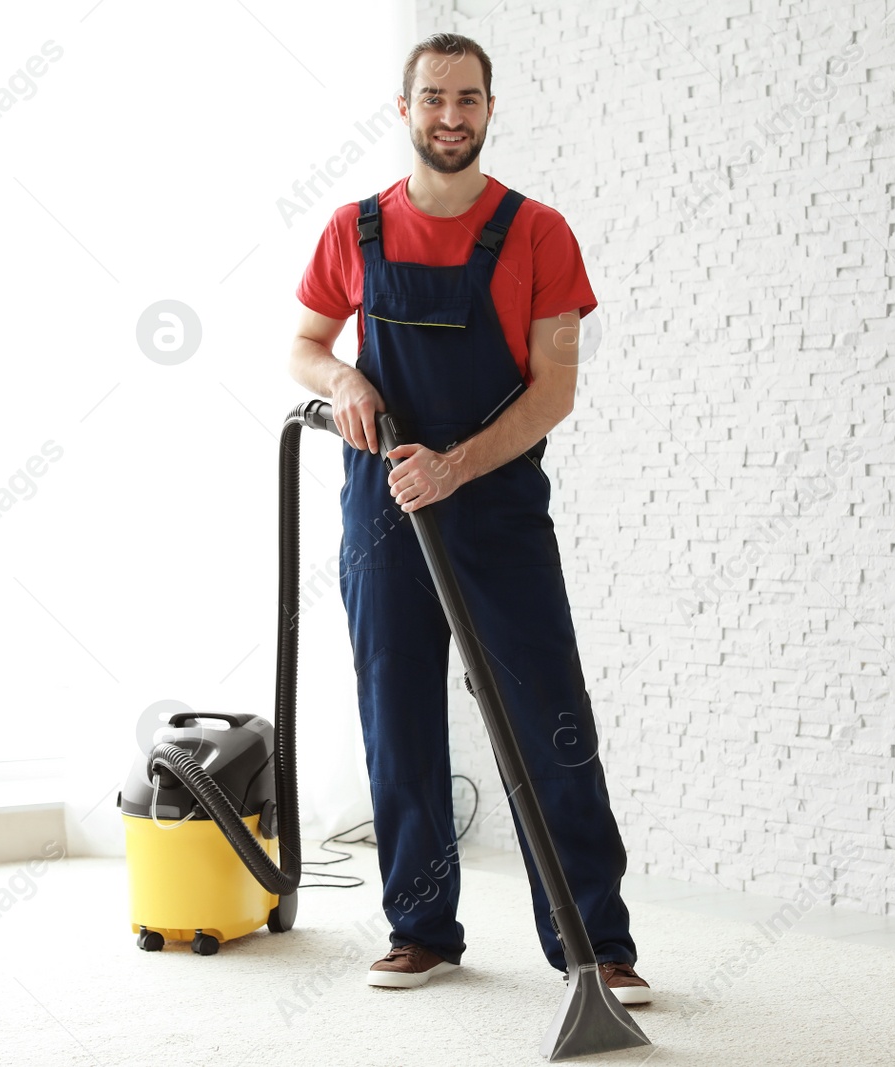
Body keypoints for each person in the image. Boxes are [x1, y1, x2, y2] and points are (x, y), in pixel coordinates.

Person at [287, 32, 651, 1007]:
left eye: (469, 98)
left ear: (489, 109)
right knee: (396, 711)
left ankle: (596, 944)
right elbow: (305, 346)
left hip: (491, 499)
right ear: (404, 109)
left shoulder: (539, 233)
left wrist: (455, 467)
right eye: (434, 97)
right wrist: (346, 379)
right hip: (381, 505)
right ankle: (419, 927)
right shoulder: (353, 229)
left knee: (548, 718)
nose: (451, 115)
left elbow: (553, 390)